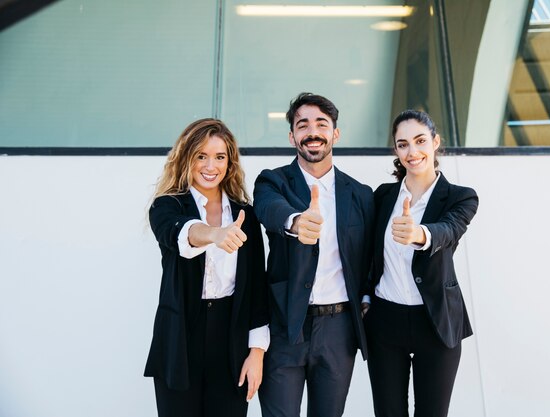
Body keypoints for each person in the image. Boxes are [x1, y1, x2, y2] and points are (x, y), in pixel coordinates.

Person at [253, 92, 374, 417]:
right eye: (302, 124)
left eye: (322, 123)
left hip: (339, 330)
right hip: (284, 327)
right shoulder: (272, 181)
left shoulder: (361, 194)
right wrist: (295, 222)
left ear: (335, 133)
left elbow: (370, 256)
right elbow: (268, 209)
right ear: (292, 135)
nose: (312, 131)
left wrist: (366, 297)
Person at [144, 118, 269, 417]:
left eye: (219, 156)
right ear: (187, 158)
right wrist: (215, 234)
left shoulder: (245, 215)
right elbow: (181, 234)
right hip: (180, 337)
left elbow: (256, 289)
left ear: (230, 162)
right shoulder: (166, 206)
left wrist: (257, 352)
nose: (210, 165)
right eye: (201, 155)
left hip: (232, 339)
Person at [362, 110, 479, 417]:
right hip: (386, 320)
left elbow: (450, 230)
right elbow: (366, 254)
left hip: (436, 321)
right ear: (396, 151)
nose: (412, 152)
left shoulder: (460, 197)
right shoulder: (383, 197)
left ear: (435, 142)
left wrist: (420, 234)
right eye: (403, 144)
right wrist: (364, 298)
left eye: (420, 141)